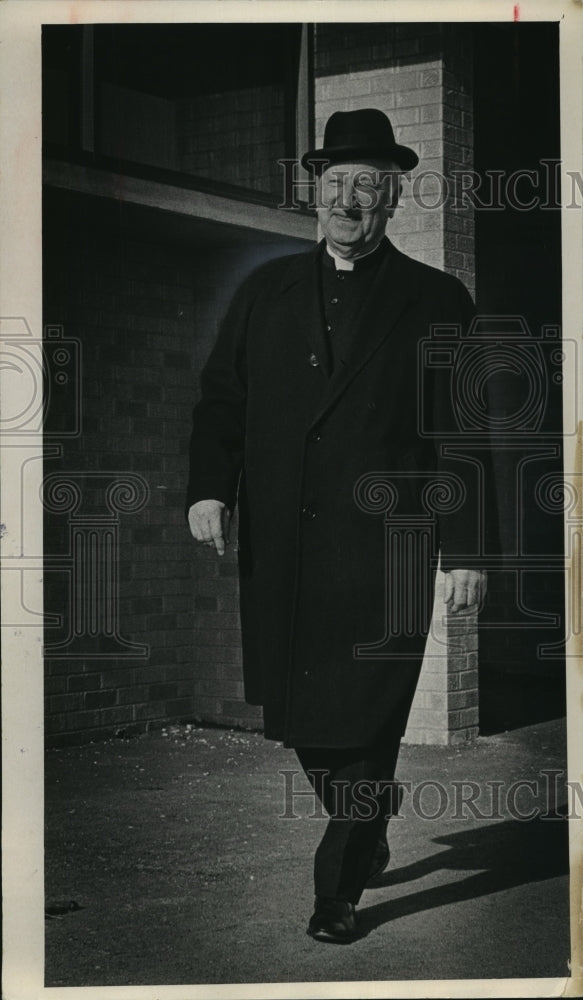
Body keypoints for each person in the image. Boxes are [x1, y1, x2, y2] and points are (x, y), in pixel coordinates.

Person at [186, 108, 487, 943]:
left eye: (368, 184)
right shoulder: (263, 291)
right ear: (315, 193)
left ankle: (338, 889)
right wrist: (209, 489)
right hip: (284, 554)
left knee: (369, 716)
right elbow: (222, 402)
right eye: (337, 184)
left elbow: (460, 435)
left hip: (387, 554)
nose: (350, 199)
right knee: (302, 722)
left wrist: (465, 548)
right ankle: (371, 816)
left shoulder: (436, 299)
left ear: (393, 197)